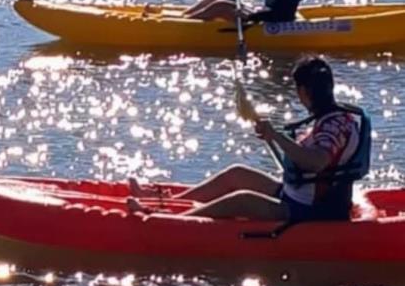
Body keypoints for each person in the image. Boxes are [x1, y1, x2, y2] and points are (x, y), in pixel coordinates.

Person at [128, 57, 371, 222]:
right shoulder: (335, 118)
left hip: (307, 210)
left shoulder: (333, 126)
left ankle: (163, 220)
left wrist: (276, 136)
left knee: (241, 200)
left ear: (304, 92)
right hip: (297, 195)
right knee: (236, 174)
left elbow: (317, 162)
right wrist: (272, 137)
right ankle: (168, 203)